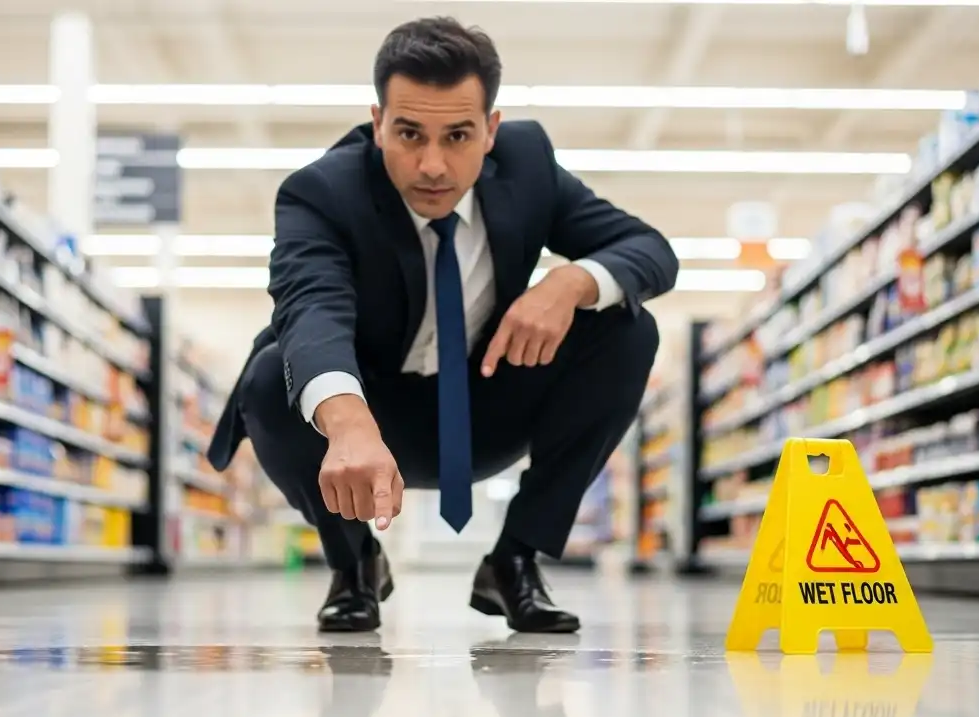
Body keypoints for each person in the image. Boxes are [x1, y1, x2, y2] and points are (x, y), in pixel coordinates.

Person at [208, 17, 678, 634]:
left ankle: (514, 562)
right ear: (376, 123)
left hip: (486, 403)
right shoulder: (322, 192)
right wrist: (348, 425)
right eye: (408, 133)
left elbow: (648, 249)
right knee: (271, 377)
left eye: (457, 135)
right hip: (372, 412)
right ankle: (355, 567)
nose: (432, 164)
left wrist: (571, 282)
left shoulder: (529, 166)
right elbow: (311, 308)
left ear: (491, 130)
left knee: (628, 330)